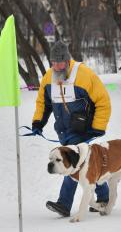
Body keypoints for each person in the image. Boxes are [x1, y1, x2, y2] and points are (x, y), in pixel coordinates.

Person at [32, 41, 112, 217]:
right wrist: (38, 123)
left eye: (60, 62)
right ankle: (103, 197)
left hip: (84, 130)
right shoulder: (48, 78)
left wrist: (98, 127)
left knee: (72, 166)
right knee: (88, 166)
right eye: (53, 62)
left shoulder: (84, 75)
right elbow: (43, 103)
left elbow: (103, 101)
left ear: (67, 60)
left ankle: (64, 204)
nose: (56, 66)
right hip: (64, 132)